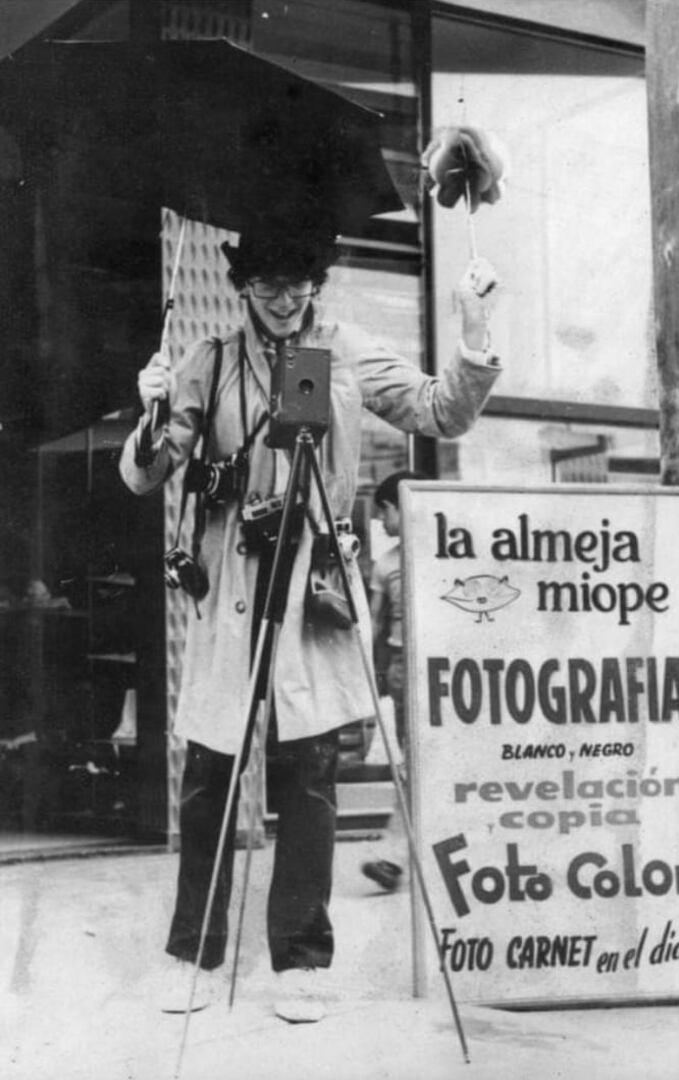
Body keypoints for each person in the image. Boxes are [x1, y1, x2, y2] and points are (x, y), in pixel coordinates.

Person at [119, 212, 502, 1023]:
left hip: (311, 593)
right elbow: (150, 474)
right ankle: (193, 955)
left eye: (298, 284)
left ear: (316, 284)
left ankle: (300, 962)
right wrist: (150, 407)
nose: (284, 299)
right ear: (242, 286)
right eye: (266, 283)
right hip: (229, 596)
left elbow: (442, 413)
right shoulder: (208, 360)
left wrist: (475, 326)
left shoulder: (348, 350)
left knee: (311, 782)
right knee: (207, 783)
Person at [361, 470, 424, 894]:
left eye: (385, 510)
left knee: (425, 768)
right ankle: (396, 856)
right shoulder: (386, 564)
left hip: (440, 668)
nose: (382, 521)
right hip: (406, 668)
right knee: (415, 767)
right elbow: (374, 626)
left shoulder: (453, 553)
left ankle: (398, 855)